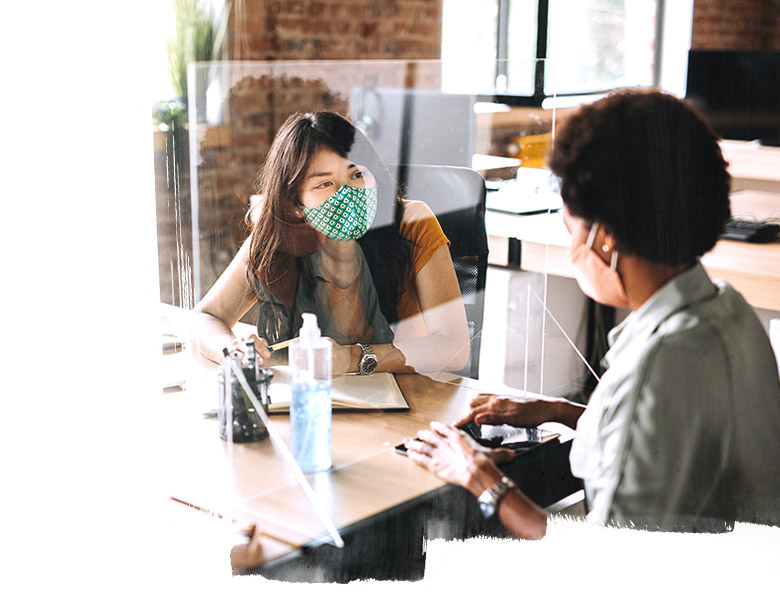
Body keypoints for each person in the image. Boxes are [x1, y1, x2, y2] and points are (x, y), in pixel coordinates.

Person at [404, 89, 780, 537]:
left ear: (604, 237)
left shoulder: (661, 364)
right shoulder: (726, 308)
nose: (571, 246)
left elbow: (606, 569)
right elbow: (661, 439)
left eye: (570, 229)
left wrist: (479, 476)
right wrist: (555, 410)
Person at [191, 111, 469, 377]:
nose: (348, 193)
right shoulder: (276, 238)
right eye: (324, 184)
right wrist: (233, 349)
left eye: (356, 174)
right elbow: (205, 317)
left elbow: (454, 348)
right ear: (295, 204)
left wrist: (351, 359)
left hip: (410, 397)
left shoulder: (413, 222)